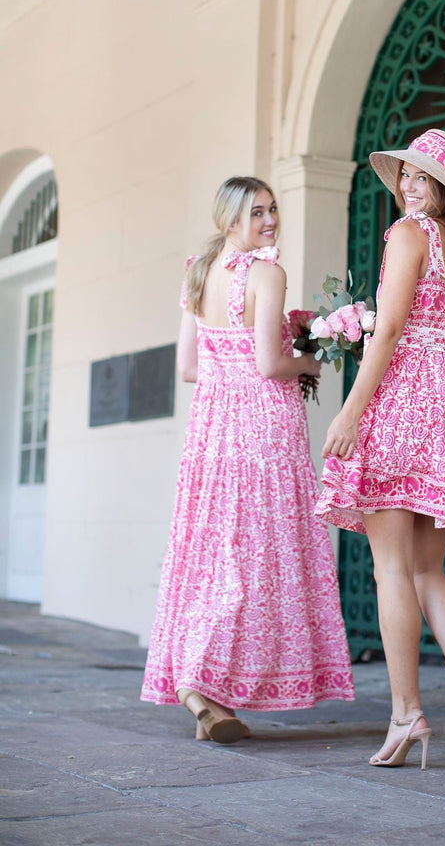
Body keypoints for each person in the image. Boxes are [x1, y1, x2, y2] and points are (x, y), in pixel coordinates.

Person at [316, 129, 445, 769]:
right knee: (429, 570)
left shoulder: (408, 235)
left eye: (422, 178)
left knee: (391, 570)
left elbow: (392, 329)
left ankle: (407, 714)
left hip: (404, 403)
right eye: (405, 174)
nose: (407, 186)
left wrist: (351, 410)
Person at [141, 176, 354, 741]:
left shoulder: (197, 271)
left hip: (211, 430)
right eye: (257, 212)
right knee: (258, 554)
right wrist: (310, 362)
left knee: (215, 552)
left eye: (272, 209)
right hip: (263, 428)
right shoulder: (267, 273)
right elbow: (268, 365)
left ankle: (208, 695)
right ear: (230, 219)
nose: (270, 220)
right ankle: (201, 682)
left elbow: (189, 368)